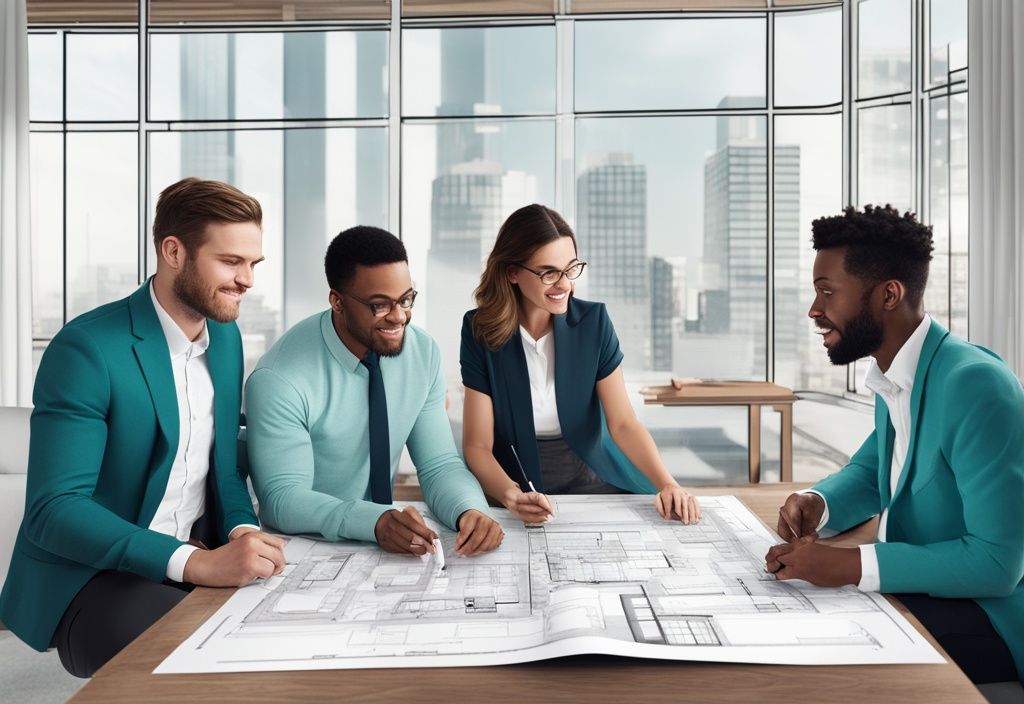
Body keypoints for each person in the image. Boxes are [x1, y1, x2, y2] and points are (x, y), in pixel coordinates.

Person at [0, 178, 286, 678]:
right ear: (173, 251)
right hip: (92, 577)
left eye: (252, 264)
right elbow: (54, 510)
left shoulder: (226, 337)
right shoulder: (87, 349)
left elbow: (220, 472)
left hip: (191, 561)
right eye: (230, 262)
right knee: (202, 664)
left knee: (280, 647)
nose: (247, 280)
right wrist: (193, 563)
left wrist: (242, 532)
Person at [765, 205, 1024, 684]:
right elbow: (874, 472)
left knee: (820, 659)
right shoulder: (897, 372)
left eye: (827, 292)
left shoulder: (976, 385)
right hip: (925, 590)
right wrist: (819, 503)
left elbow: (996, 564)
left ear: (889, 294)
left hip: (992, 614)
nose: (814, 310)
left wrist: (847, 564)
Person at [245, 226, 503, 558]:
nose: (399, 317)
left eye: (406, 299)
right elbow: (283, 498)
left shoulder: (422, 352)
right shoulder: (280, 378)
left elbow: (439, 465)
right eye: (380, 305)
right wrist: (374, 521)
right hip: (307, 549)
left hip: (386, 546)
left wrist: (470, 511)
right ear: (337, 301)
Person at [460, 204, 700, 524]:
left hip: (589, 474)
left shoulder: (594, 322)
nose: (564, 285)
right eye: (548, 273)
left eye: (571, 269)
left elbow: (623, 423)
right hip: (513, 481)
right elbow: (477, 445)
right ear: (511, 272)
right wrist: (511, 495)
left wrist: (668, 484)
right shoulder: (480, 329)